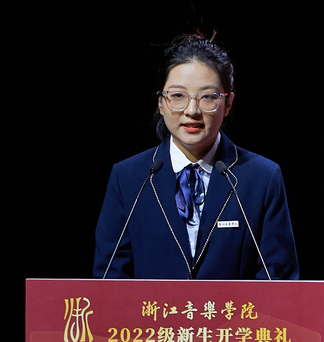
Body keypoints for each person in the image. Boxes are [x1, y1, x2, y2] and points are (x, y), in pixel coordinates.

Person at [93, 32, 298, 280]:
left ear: (228, 103)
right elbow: (109, 280)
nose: (192, 111)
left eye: (208, 97)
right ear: (161, 103)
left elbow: (279, 282)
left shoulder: (262, 178)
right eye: (177, 96)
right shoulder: (128, 178)